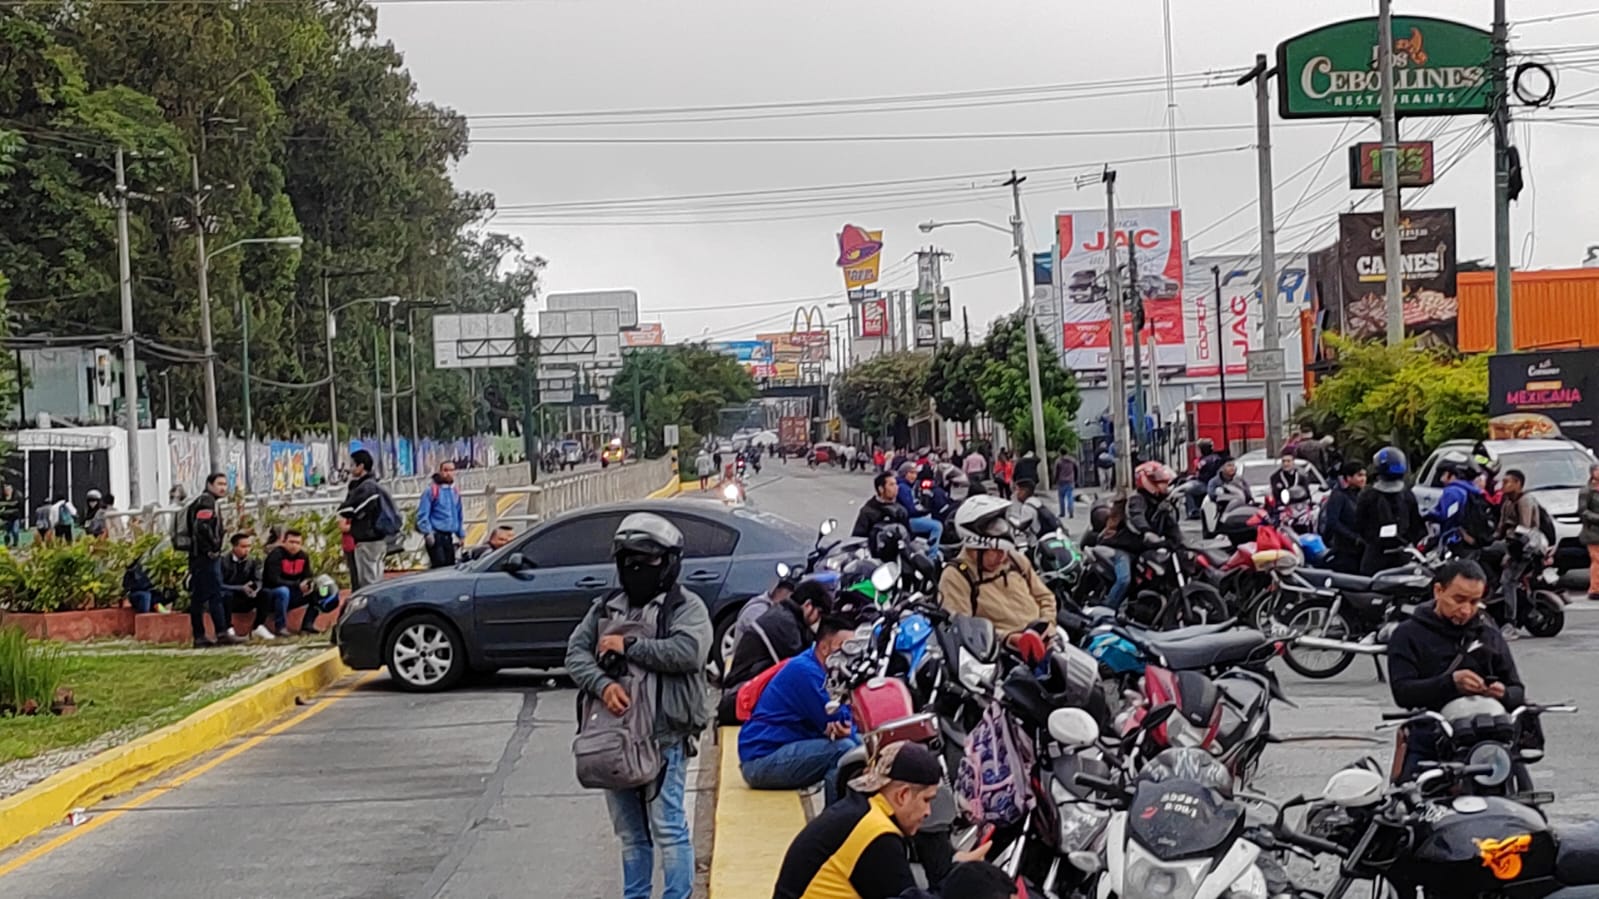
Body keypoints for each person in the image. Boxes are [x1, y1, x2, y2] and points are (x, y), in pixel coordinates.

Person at [565, 513, 712, 899]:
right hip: (613, 738)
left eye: (647, 561)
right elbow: (576, 653)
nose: (636, 569)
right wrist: (603, 684)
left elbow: (689, 651)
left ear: (668, 563)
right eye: (628, 560)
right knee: (631, 835)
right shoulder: (606, 608)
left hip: (664, 738)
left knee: (669, 828)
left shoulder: (685, 607)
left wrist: (629, 645)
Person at [772, 741, 990, 899]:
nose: (927, 812)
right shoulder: (875, 834)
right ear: (902, 795)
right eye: (926, 800)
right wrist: (967, 881)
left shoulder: (861, 810)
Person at [1386, 559, 1523, 781]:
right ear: (1438, 591)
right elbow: (1402, 693)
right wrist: (1450, 684)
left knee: (1523, 796)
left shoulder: (1488, 634)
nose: (1466, 610)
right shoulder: (1408, 634)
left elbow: (1517, 689)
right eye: (1458, 600)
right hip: (1431, 738)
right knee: (1411, 796)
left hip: (1489, 742)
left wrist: (1503, 693)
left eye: (1474, 602)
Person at [739, 616, 857, 798]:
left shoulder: (818, 666)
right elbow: (838, 718)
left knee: (855, 746)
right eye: (844, 646)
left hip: (780, 749)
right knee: (846, 750)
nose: (850, 654)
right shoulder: (806, 671)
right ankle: (837, 814)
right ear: (824, 648)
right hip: (761, 761)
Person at [939, 494, 1055, 641]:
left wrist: (1048, 622)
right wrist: (1009, 639)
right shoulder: (957, 576)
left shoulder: (1015, 560)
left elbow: (1045, 597)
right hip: (1002, 650)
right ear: (974, 548)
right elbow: (963, 629)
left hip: (1044, 638)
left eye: (1005, 550)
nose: (1003, 556)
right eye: (996, 551)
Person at [722, 579, 833, 705]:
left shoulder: (788, 616)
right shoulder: (784, 624)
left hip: (749, 690)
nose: (818, 621)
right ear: (808, 605)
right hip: (743, 696)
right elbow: (801, 669)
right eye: (819, 614)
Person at [188, 473, 244, 648]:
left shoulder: (206, 501)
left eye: (225, 484)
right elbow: (202, 527)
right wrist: (212, 548)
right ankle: (220, 633)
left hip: (199, 556)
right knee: (215, 595)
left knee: (199, 597)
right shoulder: (207, 501)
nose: (223, 488)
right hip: (205, 558)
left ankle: (201, 636)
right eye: (219, 484)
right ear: (209, 485)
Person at [1355, 447, 1425, 576]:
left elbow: (1359, 525)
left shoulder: (1367, 495)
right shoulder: (1407, 494)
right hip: (1401, 556)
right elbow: (1416, 527)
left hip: (1376, 557)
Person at [1493, 469, 1540, 640]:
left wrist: (1509, 554)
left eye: (1507, 482)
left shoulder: (1525, 501)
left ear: (1518, 483)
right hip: (1511, 545)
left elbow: (1524, 531)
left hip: (1524, 548)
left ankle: (1510, 623)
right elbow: (1500, 529)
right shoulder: (1507, 502)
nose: (1503, 485)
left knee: (1508, 581)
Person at [338, 449, 388, 590]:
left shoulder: (366, 487)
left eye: (352, 465)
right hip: (375, 538)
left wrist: (346, 510)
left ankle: (372, 603)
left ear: (361, 466)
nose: (350, 469)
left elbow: (349, 510)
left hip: (368, 539)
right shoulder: (373, 485)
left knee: (368, 581)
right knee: (375, 577)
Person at [262, 528, 325, 635]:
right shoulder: (276, 555)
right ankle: (280, 627)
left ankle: (307, 625)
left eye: (297, 543)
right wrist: (297, 585)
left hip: (294, 593)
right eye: (291, 542)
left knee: (320, 591)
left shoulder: (303, 556)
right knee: (283, 591)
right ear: (284, 542)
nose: (294, 546)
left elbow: (308, 576)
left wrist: (309, 584)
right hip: (273, 594)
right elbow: (274, 580)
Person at [1426, 455, 1492, 552]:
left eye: (1444, 474)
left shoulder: (1452, 492)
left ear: (1452, 475)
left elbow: (1446, 516)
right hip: (1472, 541)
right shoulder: (1472, 489)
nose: (1441, 479)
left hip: (1456, 541)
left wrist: (1428, 514)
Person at [220, 532, 273, 640]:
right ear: (234, 547)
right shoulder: (222, 561)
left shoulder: (252, 562)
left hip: (247, 597)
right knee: (226, 595)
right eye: (243, 546)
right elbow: (219, 584)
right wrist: (240, 588)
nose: (247, 550)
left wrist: (256, 589)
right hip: (230, 598)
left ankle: (258, 626)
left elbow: (258, 580)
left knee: (266, 593)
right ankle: (228, 628)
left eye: (249, 546)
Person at [417, 461, 466, 569]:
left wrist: (461, 534)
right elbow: (423, 514)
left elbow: (458, 515)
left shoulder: (454, 492)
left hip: (449, 537)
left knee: (450, 566)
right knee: (439, 567)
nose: (448, 473)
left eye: (451, 470)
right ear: (440, 471)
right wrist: (428, 533)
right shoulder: (431, 491)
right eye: (445, 470)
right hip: (436, 536)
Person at [1320, 462, 1366, 573]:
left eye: (1365, 475)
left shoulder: (1362, 494)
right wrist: (1354, 538)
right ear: (1349, 478)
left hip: (1361, 548)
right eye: (1359, 475)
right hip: (1345, 550)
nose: (1363, 479)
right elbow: (1333, 522)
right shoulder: (1339, 495)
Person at [894, 462, 944, 553]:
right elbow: (911, 510)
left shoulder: (907, 486)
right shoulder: (903, 488)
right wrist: (926, 512)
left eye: (915, 473)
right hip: (907, 520)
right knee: (937, 526)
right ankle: (932, 555)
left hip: (907, 518)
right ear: (904, 473)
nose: (914, 476)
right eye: (911, 473)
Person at [853, 472, 910, 538]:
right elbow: (857, 538)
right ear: (881, 489)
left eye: (896, 484)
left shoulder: (900, 510)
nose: (896, 487)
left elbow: (908, 535)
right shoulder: (868, 511)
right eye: (891, 485)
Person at [1581, 463, 1599, 602]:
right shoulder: (1587, 491)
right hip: (1593, 532)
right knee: (1597, 560)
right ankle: (1595, 589)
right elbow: (1583, 511)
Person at [1054, 452, 1078, 518]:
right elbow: (1076, 470)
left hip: (1061, 481)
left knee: (1061, 497)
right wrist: (1075, 479)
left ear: (1060, 453)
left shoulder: (1058, 461)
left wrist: (1055, 481)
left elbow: (1057, 472)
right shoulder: (1073, 461)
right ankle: (1071, 512)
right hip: (1070, 481)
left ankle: (1062, 513)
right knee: (1070, 497)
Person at [0, 483, 20, 547]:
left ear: (11, 489)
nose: (6, 491)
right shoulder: (3, 497)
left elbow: (16, 504)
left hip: (15, 517)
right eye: (5, 490)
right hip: (7, 518)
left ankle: (15, 544)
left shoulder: (16, 495)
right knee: (6, 533)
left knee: (15, 531)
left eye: (8, 490)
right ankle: (7, 545)